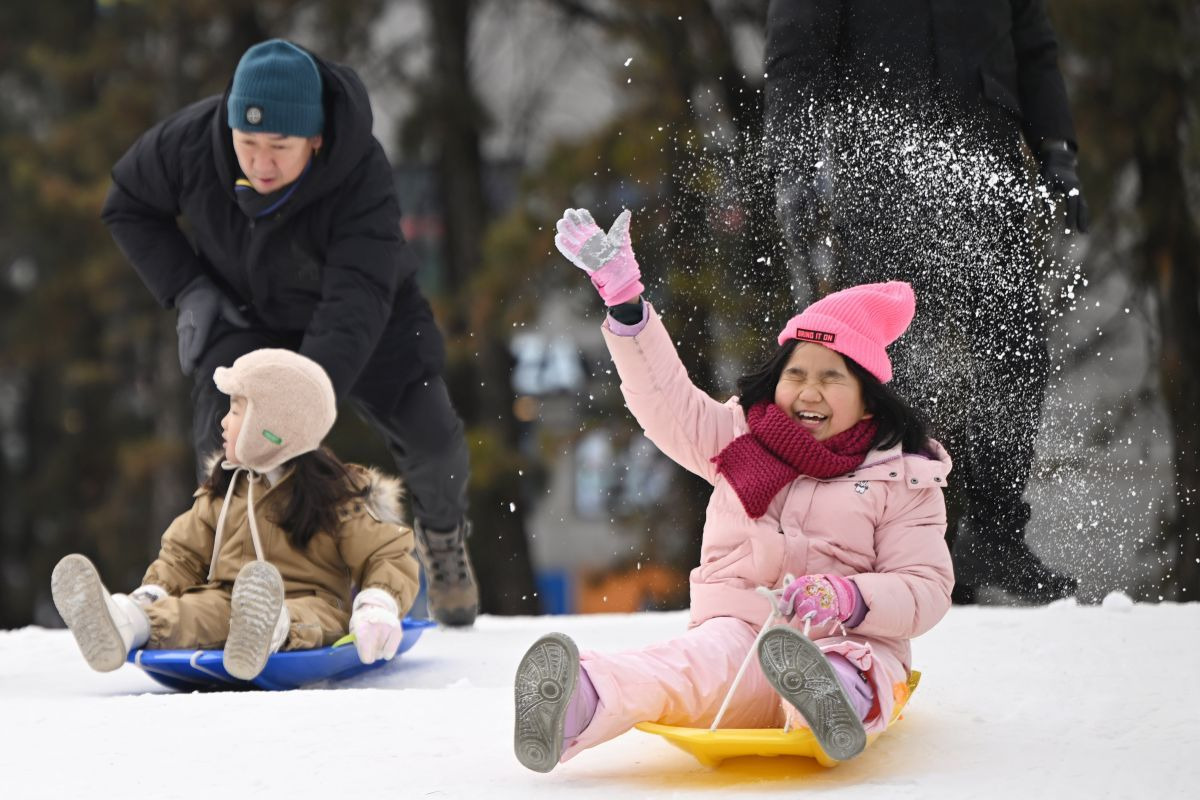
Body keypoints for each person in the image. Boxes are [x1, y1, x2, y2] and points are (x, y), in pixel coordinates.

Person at [511, 209, 953, 773]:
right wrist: (625, 301)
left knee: (858, 667)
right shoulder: (740, 436)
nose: (807, 391)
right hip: (739, 634)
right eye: (797, 373)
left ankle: (829, 702)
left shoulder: (903, 476)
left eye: (831, 376)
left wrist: (849, 598)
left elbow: (924, 586)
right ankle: (579, 698)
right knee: (684, 667)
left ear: (868, 397)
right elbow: (666, 403)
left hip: (847, 634)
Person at [100, 38, 478, 625]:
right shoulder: (193, 141)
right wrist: (189, 287)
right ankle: (214, 580)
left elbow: (356, 298)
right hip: (247, 315)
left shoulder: (362, 173)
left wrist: (297, 407)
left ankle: (444, 534)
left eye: (279, 147)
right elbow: (127, 201)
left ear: (317, 138)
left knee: (436, 443)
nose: (261, 162)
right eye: (247, 143)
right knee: (222, 445)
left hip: (370, 320)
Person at [764, 1, 1086, 603]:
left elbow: (1033, 42)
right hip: (882, 171)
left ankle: (993, 536)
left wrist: (1057, 147)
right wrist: (796, 162)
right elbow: (797, 50)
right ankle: (877, 540)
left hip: (987, 162)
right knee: (885, 368)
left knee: (1014, 349)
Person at [50, 349, 420, 680]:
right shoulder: (227, 489)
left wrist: (378, 603)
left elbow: (384, 554)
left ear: (274, 428)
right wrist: (153, 594)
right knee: (192, 612)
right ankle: (125, 623)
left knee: (308, 616)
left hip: (313, 603)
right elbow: (183, 555)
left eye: (238, 411)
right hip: (227, 599)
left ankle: (269, 628)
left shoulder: (335, 494)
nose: (224, 422)